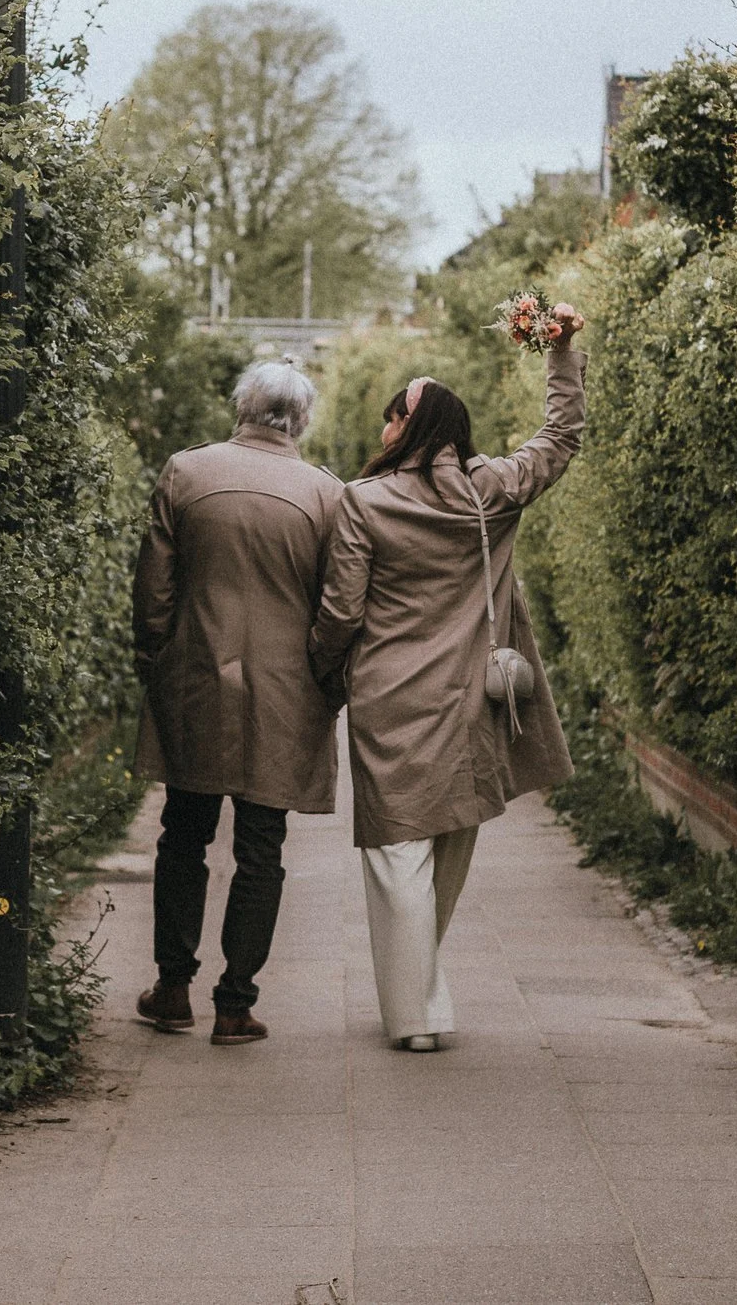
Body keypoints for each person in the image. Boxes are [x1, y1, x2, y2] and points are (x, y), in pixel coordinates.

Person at [310, 306, 587, 1050]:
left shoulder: (363, 502)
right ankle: (422, 1001)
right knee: (451, 839)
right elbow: (559, 438)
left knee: (398, 852)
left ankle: (416, 1016)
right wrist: (561, 355)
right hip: (472, 698)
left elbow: (341, 609)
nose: (381, 432)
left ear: (413, 423)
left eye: (390, 418)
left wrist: (322, 676)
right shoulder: (488, 490)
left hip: (390, 699)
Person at [131, 358, 346, 1046]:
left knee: (184, 832)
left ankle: (171, 986)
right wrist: (320, 677)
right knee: (262, 846)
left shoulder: (186, 473)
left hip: (197, 676)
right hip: (286, 693)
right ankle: (234, 1002)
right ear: (301, 418)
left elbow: (154, 590)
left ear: (241, 407)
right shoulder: (326, 496)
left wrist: (158, 661)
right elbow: (340, 609)